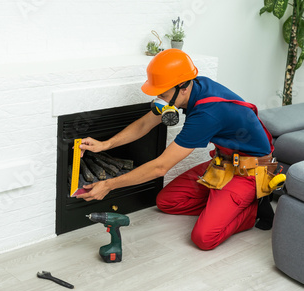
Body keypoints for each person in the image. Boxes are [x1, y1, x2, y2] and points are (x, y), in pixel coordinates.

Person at [77, 49, 277, 250]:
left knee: (204, 238)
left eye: (162, 94)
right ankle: (222, 206)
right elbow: (144, 125)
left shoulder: (207, 114)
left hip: (250, 172)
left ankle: (252, 210)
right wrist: (105, 144)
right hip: (223, 163)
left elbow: (160, 168)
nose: (160, 99)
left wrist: (109, 185)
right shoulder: (194, 86)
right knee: (167, 202)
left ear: (182, 86)